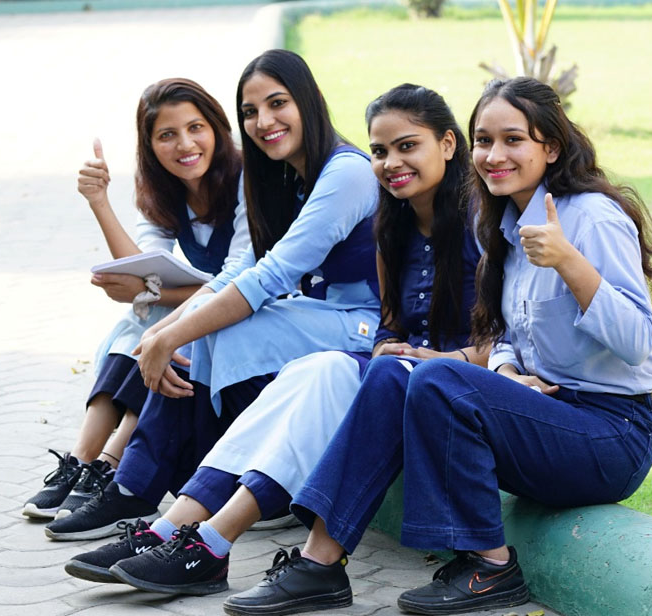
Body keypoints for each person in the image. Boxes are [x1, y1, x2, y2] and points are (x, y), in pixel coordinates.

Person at [221, 76, 652, 616]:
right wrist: (505, 373)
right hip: (547, 416)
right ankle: (319, 564)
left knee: (437, 378)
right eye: (484, 140)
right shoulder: (504, 222)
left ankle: (490, 566)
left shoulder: (590, 218)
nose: (494, 155)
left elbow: (637, 342)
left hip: (612, 433)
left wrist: (569, 262)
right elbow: (504, 337)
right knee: (390, 373)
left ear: (551, 147)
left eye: (513, 140)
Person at [63, 84, 484, 597]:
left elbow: (508, 336)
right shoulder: (393, 220)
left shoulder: (478, 220)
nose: (391, 163)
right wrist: (386, 346)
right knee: (311, 370)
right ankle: (175, 528)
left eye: (407, 146)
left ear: (447, 143)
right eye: (381, 150)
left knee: (271, 354)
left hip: (442, 373)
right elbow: (390, 322)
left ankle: (208, 540)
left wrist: (443, 356)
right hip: (391, 364)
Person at [45, 49, 381, 541]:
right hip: (320, 314)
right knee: (189, 329)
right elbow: (239, 272)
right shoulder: (286, 175)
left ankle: (139, 487)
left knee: (206, 333)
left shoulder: (346, 172)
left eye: (277, 103)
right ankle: (153, 486)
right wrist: (161, 332)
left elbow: (271, 276)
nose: (264, 121)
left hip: (365, 323)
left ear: (309, 99)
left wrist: (173, 335)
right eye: (251, 111)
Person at [22, 78, 248, 520]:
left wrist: (150, 291)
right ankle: (84, 460)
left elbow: (239, 280)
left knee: (159, 316)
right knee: (147, 315)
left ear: (218, 128)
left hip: (262, 307)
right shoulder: (165, 191)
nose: (185, 144)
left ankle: (108, 463)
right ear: (150, 146)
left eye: (196, 128)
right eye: (167, 135)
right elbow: (145, 267)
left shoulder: (247, 182)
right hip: (216, 301)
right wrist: (99, 202)